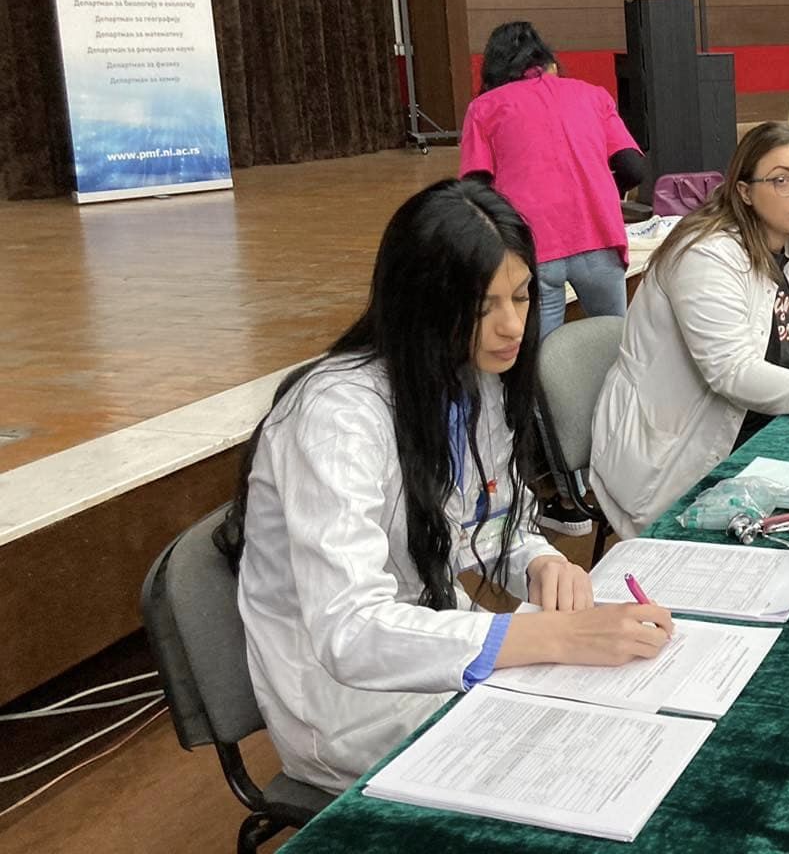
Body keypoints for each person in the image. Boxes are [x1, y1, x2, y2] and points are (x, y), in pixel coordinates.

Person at [220, 179, 672, 794]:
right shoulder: (335, 418)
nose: (513, 326)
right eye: (485, 307)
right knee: (582, 761)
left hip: (430, 637)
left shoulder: (469, 379)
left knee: (616, 720)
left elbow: (487, 516)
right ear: (422, 303)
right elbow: (350, 632)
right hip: (347, 703)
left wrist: (538, 562)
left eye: (521, 296)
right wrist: (550, 634)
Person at [589, 121, 789, 538]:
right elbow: (731, 372)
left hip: (771, 428)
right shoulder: (706, 254)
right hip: (681, 455)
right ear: (745, 191)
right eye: (781, 180)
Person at [459, 21, 645, 340]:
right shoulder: (593, 95)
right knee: (616, 347)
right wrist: (599, 190)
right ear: (548, 62)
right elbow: (634, 169)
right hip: (599, 235)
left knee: (544, 357)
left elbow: (474, 189)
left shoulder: (483, 109)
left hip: (531, 247)